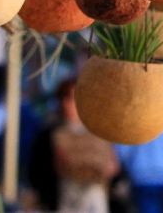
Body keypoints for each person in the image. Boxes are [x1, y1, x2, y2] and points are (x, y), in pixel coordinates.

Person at [30, 78, 119, 213]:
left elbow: (112, 166)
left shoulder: (99, 132)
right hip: (62, 201)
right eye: (64, 98)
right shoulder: (49, 134)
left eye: (72, 98)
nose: (67, 103)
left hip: (94, 199)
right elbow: (38, 172)